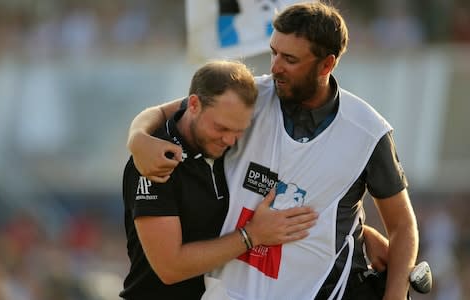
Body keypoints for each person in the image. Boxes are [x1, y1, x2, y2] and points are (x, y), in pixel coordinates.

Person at [126, 2, 419, 300]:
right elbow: (166, 113)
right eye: (273, 52)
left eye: (289, 59)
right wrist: (138, 140)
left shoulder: (368, 132)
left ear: (326, 65)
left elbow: (403, 226)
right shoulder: (248, 97)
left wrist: (393, 293)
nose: (275, 66)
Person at [120, 60, 319, 300]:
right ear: (193, 105)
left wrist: (358, 233)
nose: (230, 140)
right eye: (221, 128)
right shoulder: (155, 161)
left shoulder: (225, 146)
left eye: (239, 131)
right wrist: (251, 235)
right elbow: (170, 268)